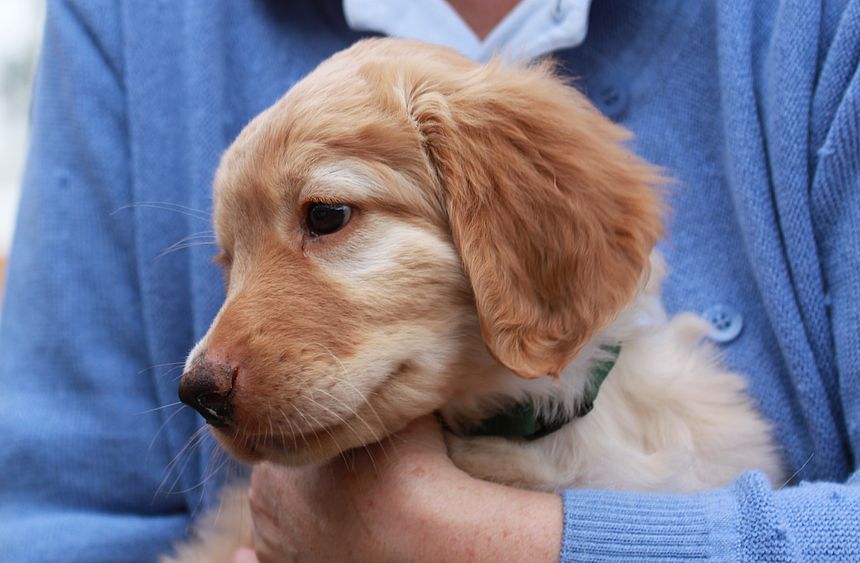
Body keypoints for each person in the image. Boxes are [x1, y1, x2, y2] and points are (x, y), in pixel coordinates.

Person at [1, 1, 858, 561]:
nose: (206, 366)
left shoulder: (713, 452)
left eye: (326, 216)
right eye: (234, 263)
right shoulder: (126, 22)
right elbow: (54, 517)